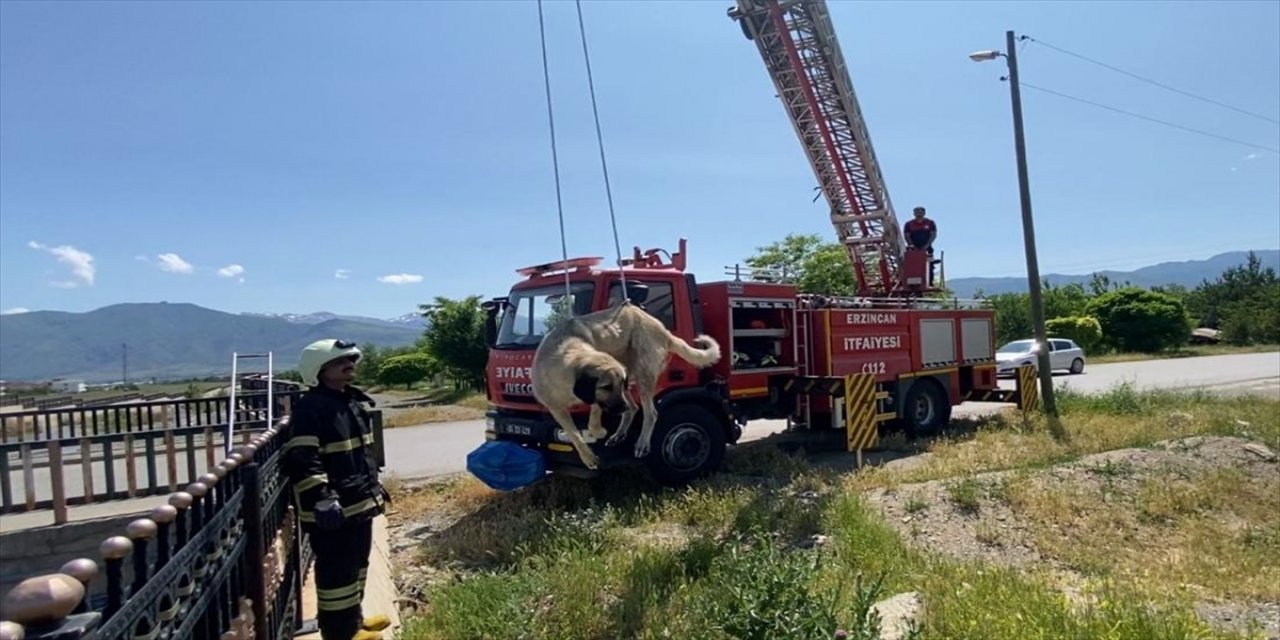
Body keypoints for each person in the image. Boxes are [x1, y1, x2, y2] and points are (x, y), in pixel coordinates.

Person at [283, 339, 391, 640]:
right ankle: (340, 633)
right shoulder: (311, 408)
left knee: (357, 565)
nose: (350, 365)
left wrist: (374, 489)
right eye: (340, 362)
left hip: (358, 503)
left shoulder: (349, 402)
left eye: (351, 360)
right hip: (334, 510)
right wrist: (321, 498)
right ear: (318, 370)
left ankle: (356, 622)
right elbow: (303, 458)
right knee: (337, 576)